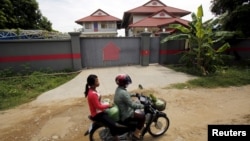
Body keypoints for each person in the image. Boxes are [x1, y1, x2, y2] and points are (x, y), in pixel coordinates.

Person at [84, 74, 119, 141]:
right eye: (97, 81)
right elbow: (98, 106)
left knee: (113, 117)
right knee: (113, 125)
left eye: (98, 80)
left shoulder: (93, 90)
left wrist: (106, 103)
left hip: (99, 111)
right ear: (92, 84)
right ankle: (116, 139)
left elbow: (98, 103)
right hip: (98, 114)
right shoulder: (92, 94)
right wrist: (108, 105)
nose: (98, 82)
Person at [114, 74, 145, 140]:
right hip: (126, 114)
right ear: (123, 83)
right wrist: (143, 105)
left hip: (122, 110)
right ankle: (136, 134)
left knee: (136, 106)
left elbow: (127, 95)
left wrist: (135, 94)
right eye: (126, 82)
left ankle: (133, 129)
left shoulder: (119, 89)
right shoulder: (123, 93)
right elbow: (132, 105)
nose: (128, 84)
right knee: (142, 117)